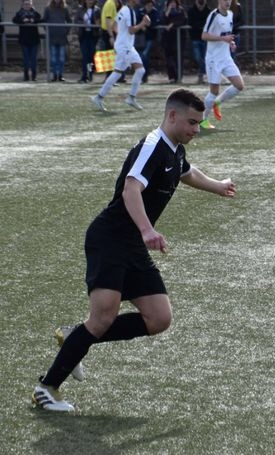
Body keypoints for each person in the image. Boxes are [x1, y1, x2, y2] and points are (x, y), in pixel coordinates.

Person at [31, 88, 237, 413]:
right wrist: (147, 229)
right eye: (192, 122)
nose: (196, 129)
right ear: (172, 116)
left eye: (199, 123)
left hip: (132, 245)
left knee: (159, 318)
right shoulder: (152, 145)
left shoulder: (175, 149)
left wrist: (217, 186)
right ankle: (46, 388)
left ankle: (75, 337)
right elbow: (131, 188)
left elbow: (187, 172)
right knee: (103, 318)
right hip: (110, 239)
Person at [91, 0, 150, 111]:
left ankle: (102, 97)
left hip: (126, 46)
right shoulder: (129, 11)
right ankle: (101, 97)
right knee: (125, 72)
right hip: (125, 47)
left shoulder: (124, 9)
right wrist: (143, 23)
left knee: (129, 71)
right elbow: (131, 30)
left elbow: (114, 25)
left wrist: (121, 37)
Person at [200, 0, 245, 129]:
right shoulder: (214, 15)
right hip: (213, 59)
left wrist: (231, 43)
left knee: (239, 85)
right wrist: (222, 39)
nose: (228, 2)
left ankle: (217, 102)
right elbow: (204, 35)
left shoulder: (230, 14)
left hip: (226, 57)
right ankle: (203, 120)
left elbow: (226, 35)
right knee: (214, 91)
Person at [12, 0, 43, 81]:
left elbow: (41, 19)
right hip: (24, 40)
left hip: (34, 39)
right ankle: (26, 76)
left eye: (29, 4)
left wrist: (33, 20)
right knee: (26, 59)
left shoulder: (35, 13)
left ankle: (34, 76)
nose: (27, 5)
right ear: (23, 5)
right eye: (26, 4)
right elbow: (14, 20)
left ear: (31, 5)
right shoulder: (19, 13)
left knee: (33, 59)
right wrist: (22, 20)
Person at [42, 0, 72, 82]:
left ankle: (60, 75)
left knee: (61, 58)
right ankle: (55, 75)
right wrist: (48, 31)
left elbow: (69, 20)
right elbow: (44, 21)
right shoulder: (48, 9)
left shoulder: (65, 9)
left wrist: (66, 31)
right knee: (53, 58)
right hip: (52, 37)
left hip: (62, 37)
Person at [161, 0, 187, 83]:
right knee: (169, 59)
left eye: (174, 2)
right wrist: (167, 12)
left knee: (178, 58)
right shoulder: (165, 11)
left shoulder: (181, 11)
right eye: (171, 3)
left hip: (179, 39)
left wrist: (172, 24)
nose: (172, 4)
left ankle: (178, 77)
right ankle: (171, 77)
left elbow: (182, 20)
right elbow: (163, 21)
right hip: (168, 39)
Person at [75, 0, 101, 83]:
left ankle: (90, 74)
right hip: (84, 35)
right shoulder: (80, 9)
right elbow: (76, 21)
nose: (90, 1)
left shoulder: (97, 10)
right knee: (85, 56)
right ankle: (84, 76)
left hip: (93, 35)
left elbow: (99, 22)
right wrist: (83, 23)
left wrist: (96, 22)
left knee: (91, 56)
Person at [135, 0, 160, 83]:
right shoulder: (140, 12)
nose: (149, 6)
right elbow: (136, 21)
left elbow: (155, 23)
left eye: (151, 5)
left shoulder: (155, 12)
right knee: (140, 57)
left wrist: (148, 25)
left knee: (145, 56)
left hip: (149, 38)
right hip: (140, 37)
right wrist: (142, 26)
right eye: (148, 4)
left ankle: (144, 76)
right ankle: (141, 76)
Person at [188, 0, 211, 84]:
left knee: (205, 58)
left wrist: (199, 26)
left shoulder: (208, 11)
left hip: (205, 39)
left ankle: (201, 75)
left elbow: (208, 24)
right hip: (195, 38)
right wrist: (200, 26)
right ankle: (202, 74)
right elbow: (191, 23)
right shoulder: (191, 11)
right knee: (198, 57)